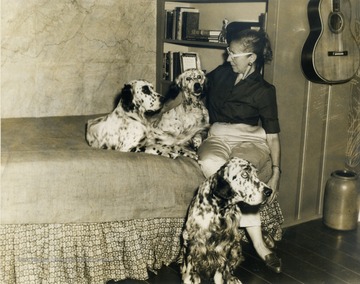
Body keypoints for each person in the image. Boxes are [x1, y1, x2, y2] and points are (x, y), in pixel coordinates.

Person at [197, 28, 283, 273]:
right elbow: (194, 85)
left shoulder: (265, 91)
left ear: (251, 58)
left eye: (233, 54)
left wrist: (276, 173)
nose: (228, 58)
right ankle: (248, 226)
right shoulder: (222, 74)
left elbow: (273, 136)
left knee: (239, 171)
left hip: (250, 140)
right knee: (210, 163)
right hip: (218, 135)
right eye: (228, 52)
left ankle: (258, 244)